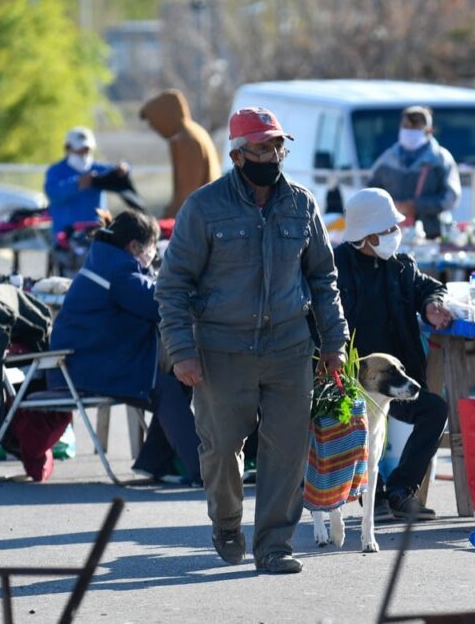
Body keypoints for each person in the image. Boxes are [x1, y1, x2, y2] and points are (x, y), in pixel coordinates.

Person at [156, 106, 349, 575]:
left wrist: (334, 343)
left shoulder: (302, 204)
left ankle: (274, 546)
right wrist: (181, 352)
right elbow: (173, 284)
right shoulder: (203, 207)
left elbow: (323, 279)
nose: (273, 154)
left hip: (289, 349)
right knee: (221, 448)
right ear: (239, 155)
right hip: (221, 351)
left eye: (278, 145)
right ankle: (226, 521)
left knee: (285, 451)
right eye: (263, 147)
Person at [48, 210, 202, 485]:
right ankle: (205, 470)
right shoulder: (119, 271)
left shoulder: (108, 260)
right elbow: (157, 304)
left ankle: (155, 462)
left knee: (176, 381)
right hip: (89, 365)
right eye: (153, 249)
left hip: (94, 357)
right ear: (134, 246)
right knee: (168, 387)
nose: (154, 257)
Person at [334, 188, 452, 521]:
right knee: (355, 426)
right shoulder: (334, 267)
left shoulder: (401, 266)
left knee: (435, 410)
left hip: (396, 380)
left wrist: (432, 304)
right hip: (351, 379)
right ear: (368, 236)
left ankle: (400, 491)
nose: (395, 235)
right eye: (389, 230)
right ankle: (375, 494)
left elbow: (428, 287)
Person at [44, 127, 130, 275]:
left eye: (87, 151)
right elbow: (53, 192)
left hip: (96, 239)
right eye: (80, 150)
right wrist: (77, 184)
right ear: (68, 148)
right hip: (66, 242)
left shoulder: (97, 168)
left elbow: (121, 172)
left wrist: (124, 170)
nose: (84, 155)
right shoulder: (56, 171)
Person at [368, 106, 461, 239]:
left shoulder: (441, 160)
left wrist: (417, 205)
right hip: (391, 236)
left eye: (415, 127)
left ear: (428, 130)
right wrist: (391, 205)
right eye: (406, 126)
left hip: (432, 235)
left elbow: (450, 198)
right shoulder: (387, 159)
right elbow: (370, 192)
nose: (409, 131)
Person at [140, 89, 222, 219]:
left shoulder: (185, 140)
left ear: (164, 117)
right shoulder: (193, 131)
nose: (154, 128)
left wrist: (168, 218)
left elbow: (187, 194)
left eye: (153, 123)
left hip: (199, 220)